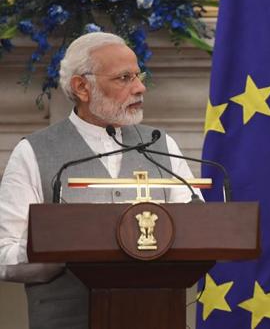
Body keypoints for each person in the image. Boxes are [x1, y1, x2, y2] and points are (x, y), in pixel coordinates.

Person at [0, 32, 202, 329]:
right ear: (82, 87)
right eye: (124, 78)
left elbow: (198, 229)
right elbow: (4, 256)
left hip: (157, 316)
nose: (140, 88)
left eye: (138, 75)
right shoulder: (33, 151)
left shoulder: (161, 145)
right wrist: (59, 247)